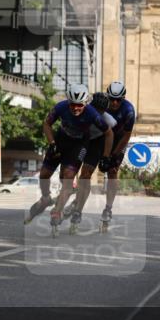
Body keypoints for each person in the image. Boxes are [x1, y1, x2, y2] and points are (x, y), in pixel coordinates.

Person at [26, 84, 113, 231]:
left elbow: (109, 133)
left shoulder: (93, 114)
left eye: (79, 105)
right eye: (72, 104)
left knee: (67, 179)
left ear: (85, 103)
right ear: (68, 101)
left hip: (78, 146)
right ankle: (46, 198)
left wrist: (105, 156)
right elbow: (47, 124)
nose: (75, 108)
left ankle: (57, 211)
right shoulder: (60, 107)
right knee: (44, 174)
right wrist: (51, 142)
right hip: (60, 140)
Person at [62, 92, 116, 231]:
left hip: (96, 144)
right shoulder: (80, 111)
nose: (96, 113)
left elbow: (110, 136)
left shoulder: (109, 121)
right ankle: (76, 200)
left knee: (85, 177)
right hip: (81, 140)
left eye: (100, 111)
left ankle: (78, 211)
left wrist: (105, 156)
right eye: (95, 109)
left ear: (105, 111)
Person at [100, 80, 137, 225]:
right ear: (107, 97)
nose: (114, 103)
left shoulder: (129, 111)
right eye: (112, 100)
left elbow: (127, 136)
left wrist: (113, 155)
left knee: (112, 171)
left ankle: (108, 208)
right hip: (102, 139)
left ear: (123, 99)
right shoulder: (102, 105)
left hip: (119, 141)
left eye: (118, 100)